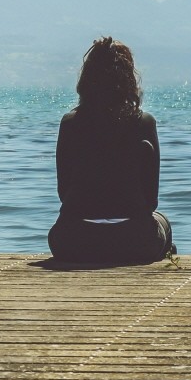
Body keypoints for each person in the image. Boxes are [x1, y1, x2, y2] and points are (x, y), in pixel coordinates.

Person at [48, 36, 174, 264]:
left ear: (86, 80)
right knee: (162, 221)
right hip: (135, 242)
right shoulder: (144, 123)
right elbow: (151, 201)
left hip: (73, 241)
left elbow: (63, 193)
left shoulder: (70, 124)